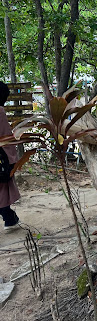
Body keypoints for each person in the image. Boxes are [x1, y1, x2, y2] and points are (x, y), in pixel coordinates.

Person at [0, 81, 21, 231]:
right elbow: (6, 137)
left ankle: (9, 217)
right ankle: (9, 217)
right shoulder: (0, 111)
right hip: (1, 156)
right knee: (2, 188)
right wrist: (12, 159)